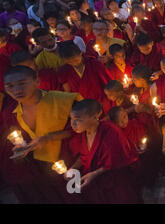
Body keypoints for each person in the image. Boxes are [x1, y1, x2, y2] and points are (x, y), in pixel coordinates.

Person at [0, 65, 82, 203]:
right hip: (42, 171)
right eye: (10, 86)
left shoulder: (63, 100)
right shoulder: (9, 113)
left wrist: (48, 138)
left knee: (79, 196)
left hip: (73, 162)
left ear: (37, 81)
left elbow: (85, 129)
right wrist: (20, 153)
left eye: (21, 83)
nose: (16, 90)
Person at [68, 99, 141, 203]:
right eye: (71, 119)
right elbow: (86, 155)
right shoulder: (84, 133)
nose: (73, 124)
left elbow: (117, 161)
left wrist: (95, 174)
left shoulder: (111, 132)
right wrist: (73, 168)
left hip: (115, 183)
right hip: (95, 184)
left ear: (94, 117)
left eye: (78, 119)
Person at [57, 42, 111, 107]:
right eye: (69, 62)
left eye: (76, 60)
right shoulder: (64, 70)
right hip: (82, 105)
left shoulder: (94, 63)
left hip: (101, 101)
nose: (74, 64)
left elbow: (107, 82)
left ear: (81, 53)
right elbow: (68, 92)